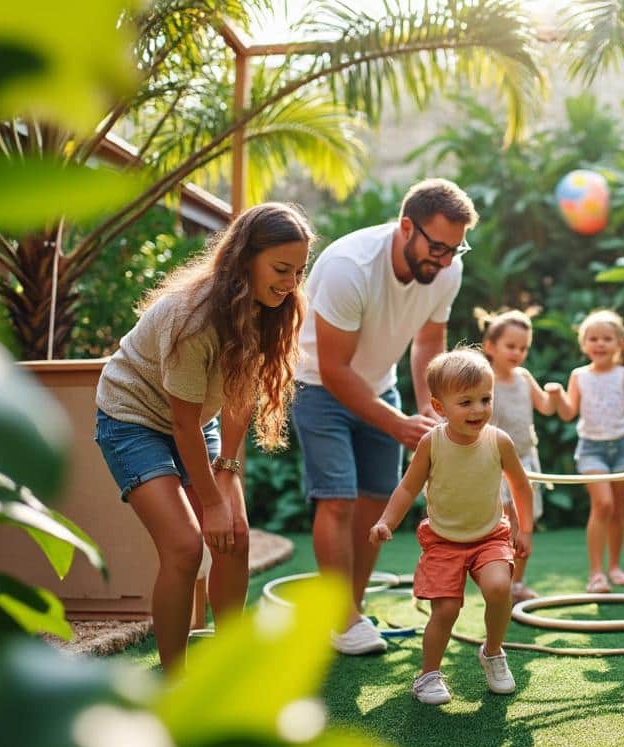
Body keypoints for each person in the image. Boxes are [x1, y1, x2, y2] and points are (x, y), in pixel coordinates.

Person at [94, 202, 313, 671]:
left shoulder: (267, 309)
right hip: (132, 417)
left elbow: (238, 396)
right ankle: (176, 678)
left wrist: (228, 475)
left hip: (194, 420)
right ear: (244, 258)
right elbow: (181, 424)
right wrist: (210, 502)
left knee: (235, 536)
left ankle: (228, 668)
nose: (291, 283)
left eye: (298, 270)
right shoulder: (191, 318)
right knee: (185, 547)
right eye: (280, 269)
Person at [293, 179, 477, 655]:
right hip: (318, 385)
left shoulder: (446, 269)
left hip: (379, 386)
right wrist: (396, 424)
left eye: (453, 250)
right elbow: (333, 368)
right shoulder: (348, 267)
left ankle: (346, 613)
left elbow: (429, 342)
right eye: (435, 246)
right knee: (336, 499)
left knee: (377, 501)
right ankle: (344, 615)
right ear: (405, 226)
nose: (442, 260)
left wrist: (426, 410)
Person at [368, 349, 534, 705]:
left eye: (485, 399)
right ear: (440, 407)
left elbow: (520, 486)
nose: (478, 410)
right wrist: (386, 521)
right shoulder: (432, 443)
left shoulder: (498, 441)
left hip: (490, 534)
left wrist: (525, 528)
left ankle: (492, 652)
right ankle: (428, 674)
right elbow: (407, 487)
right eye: (466, 402)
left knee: (498, 586)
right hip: (444, 540)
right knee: (445, 610)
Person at [552, 309, 624, 593]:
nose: (600, 344)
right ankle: (595, 574)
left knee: (617, 510)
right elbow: (568, 413)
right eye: (593, 339)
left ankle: (614, 567)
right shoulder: (579, 376)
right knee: (603, 504)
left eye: (606, 338)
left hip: (623, 446)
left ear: (619, 343)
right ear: (584, 345)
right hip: (592, 448)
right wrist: (558, 397)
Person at [478, 307, 562, 602]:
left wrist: (553, 395)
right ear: (490, 346)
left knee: (526, 523)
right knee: (506, 524)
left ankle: (515, 584)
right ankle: (500, 583)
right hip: (493, 462)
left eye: (523, 347)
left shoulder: (524, 377)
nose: (518, 352)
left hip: (527, 461)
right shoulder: (483, 379)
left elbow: (546, 408)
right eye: (511, 346)